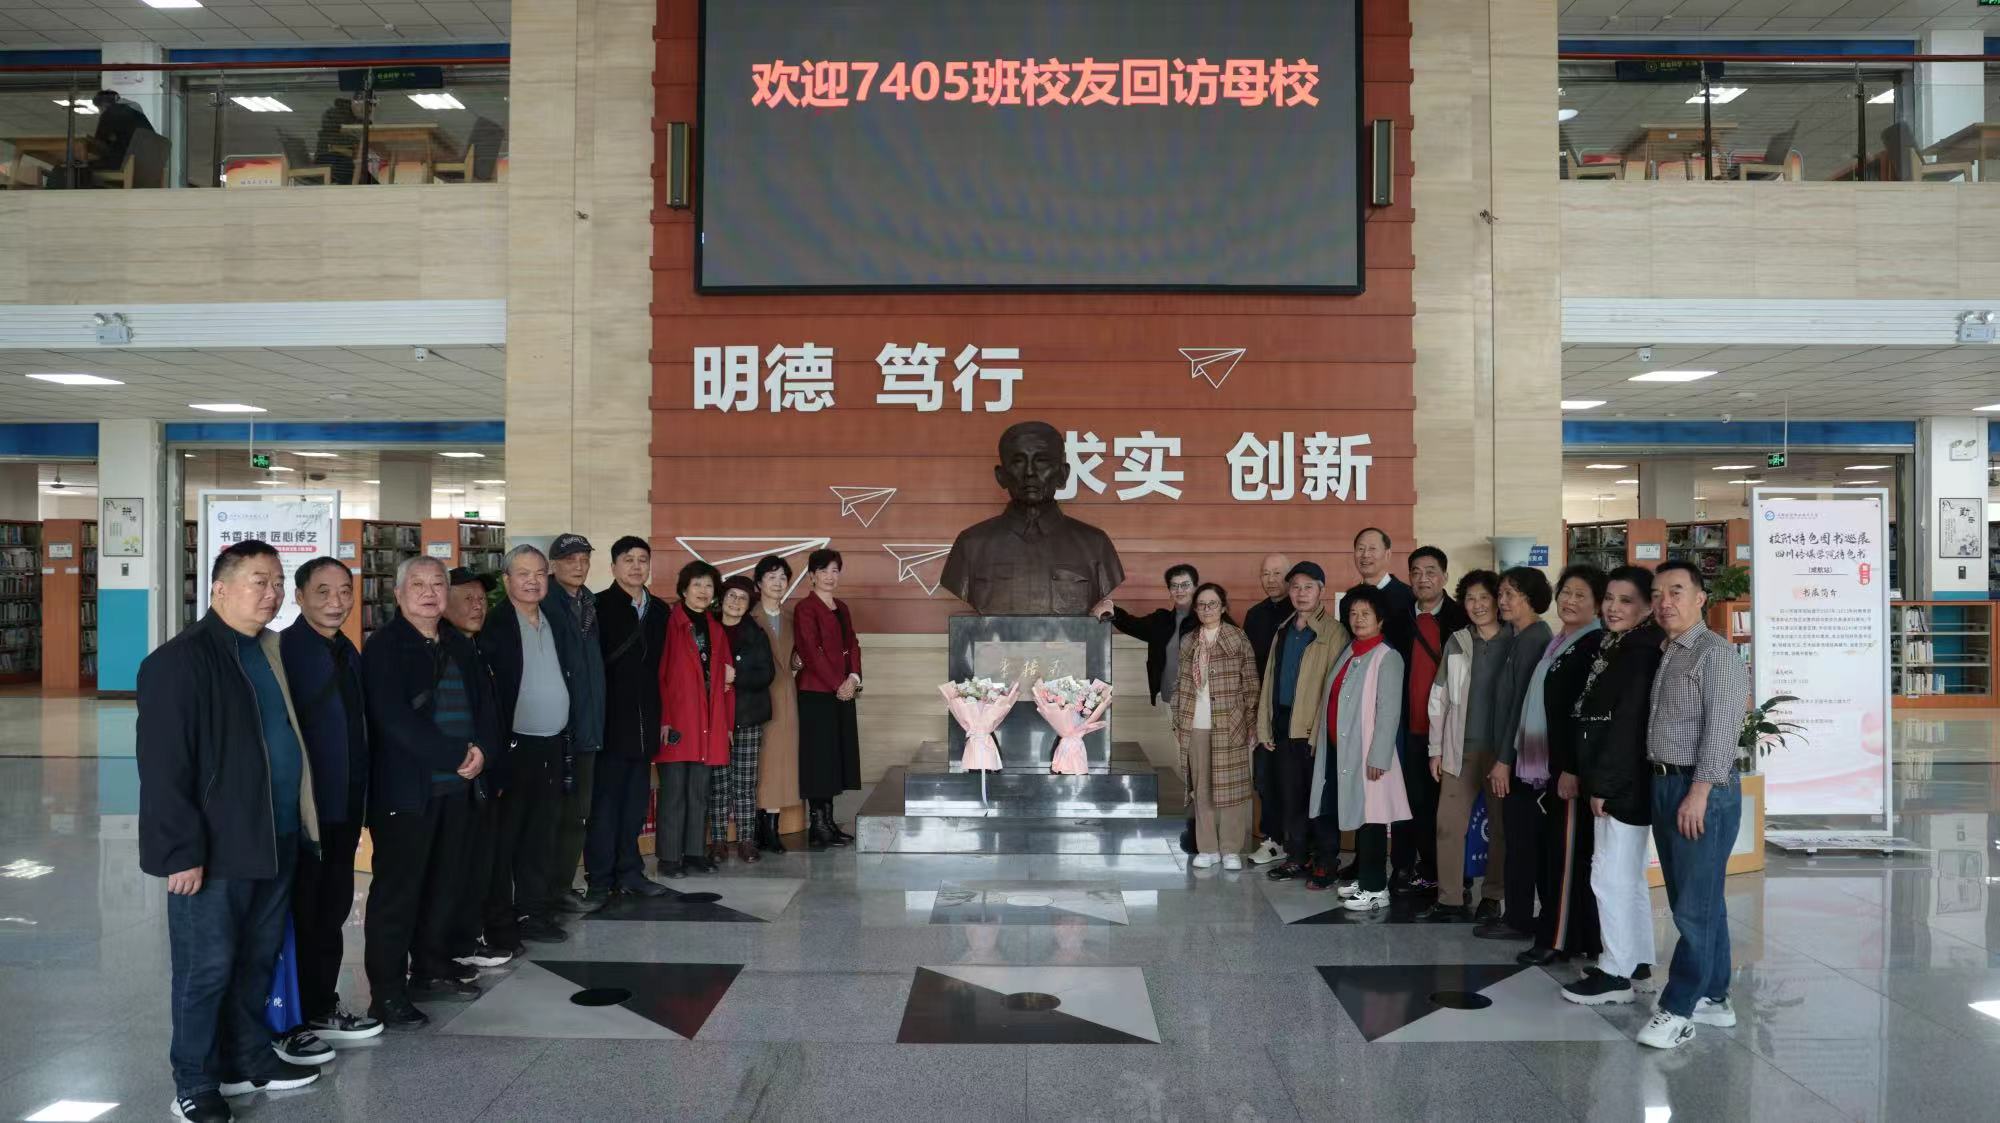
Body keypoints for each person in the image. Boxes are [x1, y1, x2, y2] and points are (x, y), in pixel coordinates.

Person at [140, 540, 325, 1123]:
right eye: (258, 581)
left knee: (256, 959)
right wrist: (180, 852)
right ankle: (194, 1081)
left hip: (275, 835)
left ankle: (247, 1058)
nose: (272, 593)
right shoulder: (180, 661)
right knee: (206, 968)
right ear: (219, 588)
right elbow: (164, 767)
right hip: (216, 849)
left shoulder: (267, 651)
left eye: (277, 582)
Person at [361, 556, 502, 1029]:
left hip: (458, 789)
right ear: (398, 594)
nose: (428, 592)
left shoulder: (458, 643)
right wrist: (454, 754)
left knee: (446, 884)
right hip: (407, 793)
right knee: (399, 893)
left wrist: (483, 750)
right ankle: (387, 993)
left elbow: (486, 706)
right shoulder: (384, 647)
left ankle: (431, 968)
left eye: (437, 584)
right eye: (417, 585)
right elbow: (392, 718)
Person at [1637, 561, 1752, 1050]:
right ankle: (1715, 997)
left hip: (1699, 789)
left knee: (1691, 908)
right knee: (1701, 899)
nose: (1665, 602)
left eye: (1676, 591)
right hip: (1668, 784)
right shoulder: (1671, 651)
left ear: (1701, 598)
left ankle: (1679, 1008)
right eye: (1657, 593)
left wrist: (1699, 793)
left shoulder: (1715, 654)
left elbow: (1722, 732)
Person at [276, 557, 381, 1059]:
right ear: (299, 597)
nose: (336, 602)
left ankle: (322, 1006)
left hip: (344, 805)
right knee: (306, 912)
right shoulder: (285, 652)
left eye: (344, 591)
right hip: (308, 812)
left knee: (333, 908)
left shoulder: (346, 649)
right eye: (322, 592)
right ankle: (295, 1017)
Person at [475, 545, 591, 949]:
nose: (533, 581)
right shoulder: (496, 625)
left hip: (552, 744)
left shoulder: (552, 619)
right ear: (507, 580)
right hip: (513, 748)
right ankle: (502, 918)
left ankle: (534, 911)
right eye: (523, 574)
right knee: (508, 837)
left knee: (542, 833)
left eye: (540, 573)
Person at [1564, 565, 1664, 1006]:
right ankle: (1635, 961)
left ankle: (1615, 972)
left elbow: (1625, 728)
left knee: (1610, 877)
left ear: (1646, 607)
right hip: (1625, 783)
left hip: (1622, 785)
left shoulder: (1637, 654)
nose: (1612, 608)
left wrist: (1604, 785)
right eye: (1609, 598)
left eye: (1626, 601)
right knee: (1626, 876)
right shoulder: (1623, 646)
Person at [1510, 565, 1607, 967]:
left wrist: (1571, 768)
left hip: (1568, 770)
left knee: (1565, 857)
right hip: (1552, 765)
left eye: (1580, 595)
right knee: (1561, 852)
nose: (1569, 600)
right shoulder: (1562, 642)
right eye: (1566, 592)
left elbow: (1583, 717)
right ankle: (1580, 935)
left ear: (1597, 604)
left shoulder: (1592, 646)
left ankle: (1556, 938)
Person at [1418, 570, 1510, 924]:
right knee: (1448, 824)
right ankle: (1450, 899)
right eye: (1470, 599)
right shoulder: (1457, 641)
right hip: (1460, 750)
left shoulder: (1514, 639)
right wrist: (1435, 749)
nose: (1477, 605)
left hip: (1501, 754)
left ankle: (1493, 896)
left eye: (1484, 597)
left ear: (1498, 601)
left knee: (1499, 827)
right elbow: (1438, 697)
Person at [584, 536, 670, 902]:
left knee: (635, 805)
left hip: (646, 723)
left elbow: (666, 671)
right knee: (605, 806)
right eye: (628, 559)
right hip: (608, 723)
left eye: (642, 560)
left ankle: (630, 873)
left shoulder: (660, 611)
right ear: (613, 566)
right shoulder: (597, 606)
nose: (636, 566)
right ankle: (600, 880)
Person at [1314, 583, 1410, 908]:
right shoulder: (1351, 651)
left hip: (1370, 753)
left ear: (1380, 619)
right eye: (1353, 613)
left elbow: (1389, 711)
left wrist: (1379, 755)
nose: (1358, 619)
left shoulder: (1387, 657)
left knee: (1373, 818)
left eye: (1365, 613)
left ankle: (1375, 889)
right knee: (1360, 814)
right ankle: (1365, 878)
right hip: (1345, 751)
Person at [1256, 562, 1350, 883]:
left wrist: (1320, 732)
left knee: (1320, 797)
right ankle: (1296, 856)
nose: (1301, 593)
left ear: (1321, 590)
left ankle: (1326, 860)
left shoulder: (1334, 632)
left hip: (1314, 728)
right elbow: (1269, 678)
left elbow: (1335, 688)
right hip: (1284, 723)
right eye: (1295, 587)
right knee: (1291, 796)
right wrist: (1265, 725)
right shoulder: (1283, 629)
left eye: (1308, 587)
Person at [1473, 566, 1554, 942]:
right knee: (1515, 837)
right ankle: (1516, 914)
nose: (1501, 601)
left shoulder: (1535, 638)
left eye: (1510, 594)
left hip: (1522, 761)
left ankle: (1520, 919)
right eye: (1501, 593)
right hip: (1512, 755)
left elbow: (1522, 706)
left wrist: (1505, 760)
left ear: (1531, 599)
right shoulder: (1519, 636)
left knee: (1521, 841)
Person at [440, 567, 513, 970]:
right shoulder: (447, 649)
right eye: (466, 598)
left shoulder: (477, 646)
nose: (477, 606)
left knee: (481, 863)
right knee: (458, 866)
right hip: (458, 777)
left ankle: (473, 936)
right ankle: (459, 942)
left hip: (484, 776)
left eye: (482, 599)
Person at [1393, 546, 1468, 895]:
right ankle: (1418, 867)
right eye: (1416, 572)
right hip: (1409, 728)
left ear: (1445, 576)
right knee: (1414, 802)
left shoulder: (1460, 618)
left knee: (1448, 806)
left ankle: (1454, 874)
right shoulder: (1398, 619)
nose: (1423, 579)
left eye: (1431, 571)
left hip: (1451, 731)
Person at [1170, 583, 1258, 870]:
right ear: (1196, 609)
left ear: (1223, 607)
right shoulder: (1189, 641)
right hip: (1195, 723)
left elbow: (1251, 683)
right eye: (1202, 605)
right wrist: (1177, 717)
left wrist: (1251, 722)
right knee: (1202, 788)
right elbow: (1180, 683)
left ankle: (1231, 848)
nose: (1207, 609)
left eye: (1213, 604)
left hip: (1229, 723)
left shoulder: (1237, 637)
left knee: (1232, 787)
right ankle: (1208, 848)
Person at [656, 561, 735, 877]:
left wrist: (726, 725)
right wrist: (663, 718)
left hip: (708, 721)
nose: (703, 591)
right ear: (684, 589)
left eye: (708, 585)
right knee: (674, 792)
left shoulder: (716, 628)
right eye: (697, 584)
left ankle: (693, 853)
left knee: (700, 792)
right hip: (677, 720)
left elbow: (727, 683)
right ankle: (669, 858)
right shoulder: (669, 623)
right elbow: (659, 676)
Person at [542, 532, 606, 913]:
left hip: (587, 726)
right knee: (551, 815)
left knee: (577, 814)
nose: (578, 566)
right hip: (555, 730)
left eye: (584, 559)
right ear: (553, 565)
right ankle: (541, 892)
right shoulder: (544, 603)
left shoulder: (588, 603)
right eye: (570, 560)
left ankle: (562, 886)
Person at [795, 548, 863, 848]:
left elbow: (853, 644)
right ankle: (818, 826)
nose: (830, 576)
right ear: (812, 576)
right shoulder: (805, 608)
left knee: (835, 758)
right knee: (819, 759)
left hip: (842, 691)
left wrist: (853, 678)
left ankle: (829, 823)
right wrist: (838, 684)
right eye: (823, 570)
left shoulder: (842, 607)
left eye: (835, 570)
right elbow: (810, 651)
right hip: (816, 693)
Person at [714, 575, 776, 862]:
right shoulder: (708, 627)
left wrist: (735, 677)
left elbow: (767, 674)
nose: (736, 602)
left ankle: (746, 841)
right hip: (714, 718)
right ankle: (717, 842)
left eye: (742, 598)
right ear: (722, 598)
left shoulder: (756, 633)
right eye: (731, 596)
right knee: (718, 784)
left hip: (748, 716)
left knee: (745, 783)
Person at [1242, 552, 1293, 865]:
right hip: (1262, 710)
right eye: (1266, 573)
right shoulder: (1255, 615)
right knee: (1264, 778)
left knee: (1293, 779)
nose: (1271, 580)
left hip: (1294, 711)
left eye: (1277, 573)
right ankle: (1272, 839)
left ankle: (1297, 842)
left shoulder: (1301, 612)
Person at [750, 555, 802, 853]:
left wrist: (798, 663)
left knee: (780, 762)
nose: (778, 582)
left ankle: (771, 826)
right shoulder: (749, 616)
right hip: (756, 697)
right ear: (758, 583)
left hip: (785, 695)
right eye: (771, 577)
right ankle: (756, 825)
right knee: (759, 762)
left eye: (783, 577)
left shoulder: (792, 618)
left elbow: (792, 659)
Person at [1110, 564, 1200, 706]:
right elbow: (1130, 624)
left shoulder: (1208, 620)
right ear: (1169, 591)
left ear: (1195, 587)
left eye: (1185, 585)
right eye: (1174, 586)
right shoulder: (1160, 620)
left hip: (1198, 702)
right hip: (1165, 700)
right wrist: (1110, 609)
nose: (1179, 590)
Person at [84, 89, 154, 172]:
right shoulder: (133, 109)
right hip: (149, 161)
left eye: (99, 108)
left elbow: (99, 144)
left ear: (103, 105)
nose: (100, 111)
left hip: (131, 163)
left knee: (85, 168)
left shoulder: (110, 112)